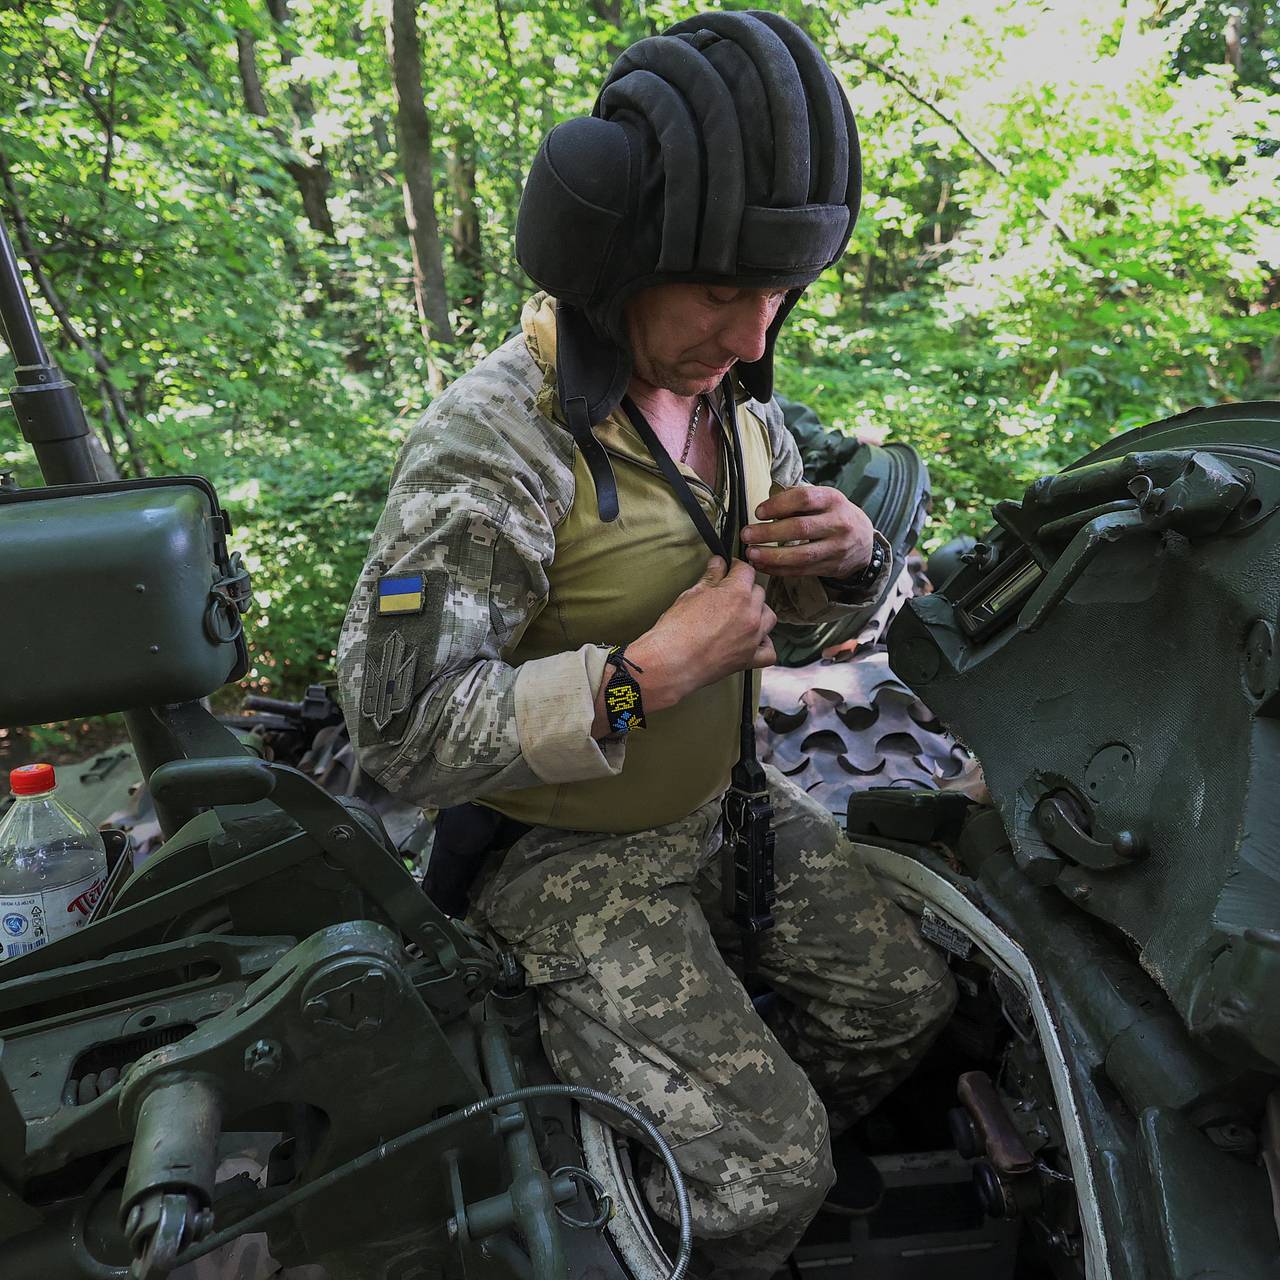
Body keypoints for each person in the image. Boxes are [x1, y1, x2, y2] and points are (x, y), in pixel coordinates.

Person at [338, 11, 954, 1276]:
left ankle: (700, 1162)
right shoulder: (493, 447)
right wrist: (643, 674)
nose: (753, 334)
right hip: (559, 851)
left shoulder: (735, 413)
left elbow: (783, 622)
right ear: (609, 265)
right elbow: (395, 734)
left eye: (777, 292)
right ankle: (670, 1211)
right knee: (771, 1168)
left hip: (724, 805)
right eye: (723, 290)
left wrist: (840, 569)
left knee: (907, 1001)